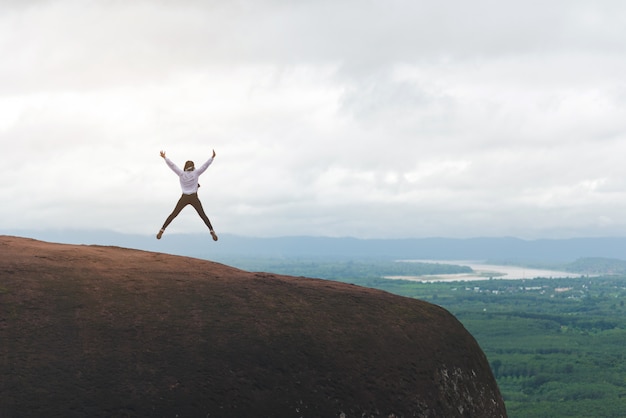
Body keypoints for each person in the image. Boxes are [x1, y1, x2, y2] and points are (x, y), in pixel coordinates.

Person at [157, 150, 218, 241]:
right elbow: (205, 166)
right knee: (202, 215)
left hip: (184, 197)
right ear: (193, 167)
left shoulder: (181, 174)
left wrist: (165, 157)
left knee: (174, 214)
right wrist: (212, 158)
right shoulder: (196, 173)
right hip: (194, 197)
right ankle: (211, 230)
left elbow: (172, 166)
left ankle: (162, 229)